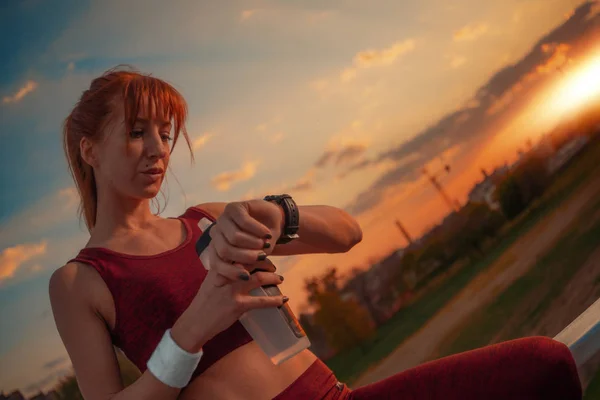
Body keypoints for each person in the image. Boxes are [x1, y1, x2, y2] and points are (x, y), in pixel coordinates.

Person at [49, 66, 583, 400]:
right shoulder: (80, 281)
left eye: (165, 134)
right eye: (137, 132)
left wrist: (277, 214)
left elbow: (348, 231)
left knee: (544, 365)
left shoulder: (210, 220)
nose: (159, 148)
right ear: (90, 150)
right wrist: (192, 330)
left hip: (334, 395)